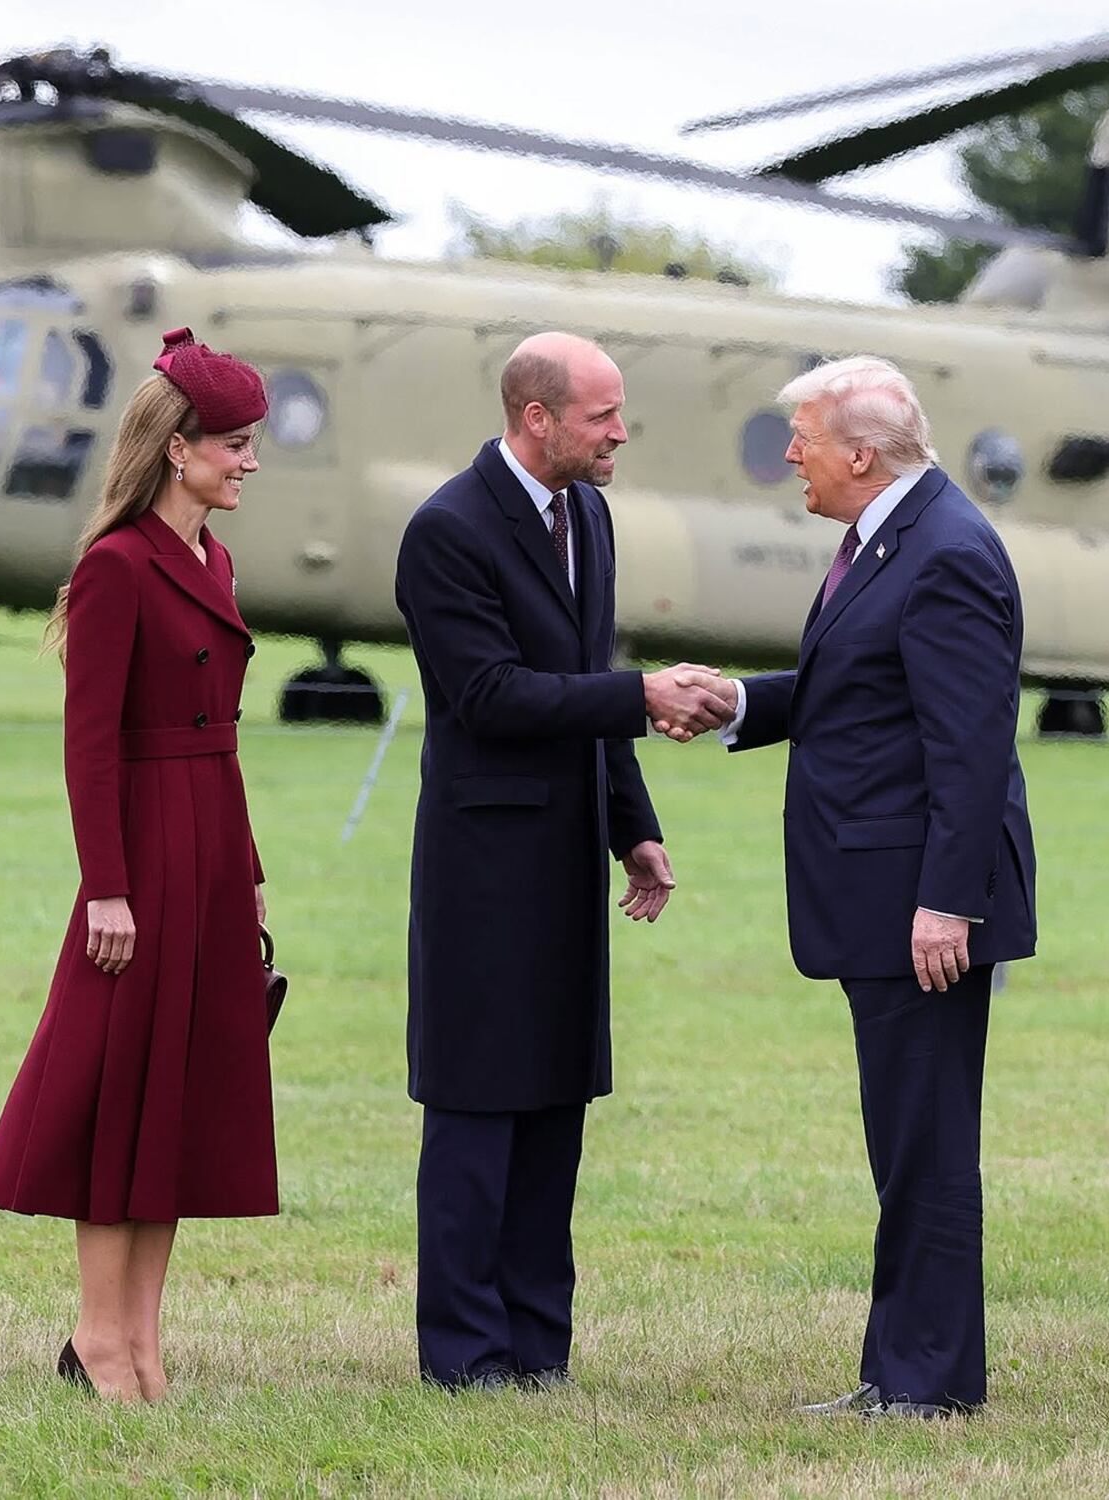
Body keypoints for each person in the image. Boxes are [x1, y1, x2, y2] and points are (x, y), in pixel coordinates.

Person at [681, 355, 1037, 1417]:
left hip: (918, 907)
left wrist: (948, 902)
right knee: (905, 1139)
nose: (789, 455)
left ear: (860, 454)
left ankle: (927, 1385)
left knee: (925, 1144)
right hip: (885, 896)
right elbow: (861, 689)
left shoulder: (947, 552)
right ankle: (902, 1372)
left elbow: (970, 748)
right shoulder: (891, 538)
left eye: (802, 438)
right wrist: (740, 704)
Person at [395, 331, 731, 1390]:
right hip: (483, 869)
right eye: (602, 416)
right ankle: (464, 1356)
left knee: (554, 1106)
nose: (620, 433)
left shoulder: (588, 514)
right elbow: (489, 695)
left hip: (565, 867)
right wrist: (638, 695)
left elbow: (588, 676)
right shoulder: (446, 531)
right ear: (537, 418)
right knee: (477, 1109)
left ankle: (538, 1351)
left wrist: (632, 826)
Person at [0, 328, 277, 1402]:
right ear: (177, 448)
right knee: (117, 1099)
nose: (248, 461)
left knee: (180, 1105)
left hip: (207, 848)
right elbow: (89, 741)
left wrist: (245, 876)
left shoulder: (213, 559)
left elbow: (224, 734)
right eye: (234, 444)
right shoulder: (114, 565)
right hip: (139, 855)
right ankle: (100, 1341)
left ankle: (142, 1342)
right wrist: (107, 885)